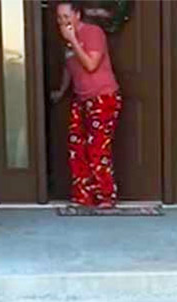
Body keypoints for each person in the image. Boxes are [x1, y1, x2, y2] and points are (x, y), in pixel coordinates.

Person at [51, 1, 122, 209]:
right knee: (77, 148)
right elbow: (69, 68)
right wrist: (62, 91)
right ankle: (83, 196)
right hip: (81, 98)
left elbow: (91, 64)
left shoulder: (93, 33)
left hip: (103, 97)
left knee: (98, 149)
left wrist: (73, 40)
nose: (63, 22)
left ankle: (106, 197)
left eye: (66, 17)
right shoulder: (66, 41)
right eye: (59, 18)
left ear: (77, 15)